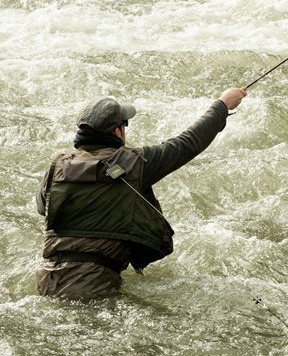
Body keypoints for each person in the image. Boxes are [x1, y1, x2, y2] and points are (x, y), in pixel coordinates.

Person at [35, 87, 247, 300]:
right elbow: (188, 143)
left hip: (48, 280)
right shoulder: (134, 164)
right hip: (95, 285)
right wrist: (222, 105)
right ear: (118, 131)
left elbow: (44, 208)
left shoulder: (57, 167)